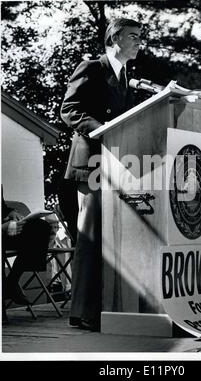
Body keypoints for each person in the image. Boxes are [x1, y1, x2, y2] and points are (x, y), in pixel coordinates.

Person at [60, 18, 142, 331]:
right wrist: (103, 130)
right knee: (91, 237)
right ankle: (82, 312)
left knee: (111, 239)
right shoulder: (92, 67)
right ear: (114, 37)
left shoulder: (127, 78)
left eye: (139, 37)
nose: (138, 43)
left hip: (116, 164)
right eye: (133, 36)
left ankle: (106, 308)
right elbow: (69, 109)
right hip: (91, 162)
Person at [2, 190, 51, 309]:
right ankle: (7, 288)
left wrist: (10, 212)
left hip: (3, 231)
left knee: (40, 227)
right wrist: (1, 228)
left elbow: (1, 207)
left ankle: (12, 281)